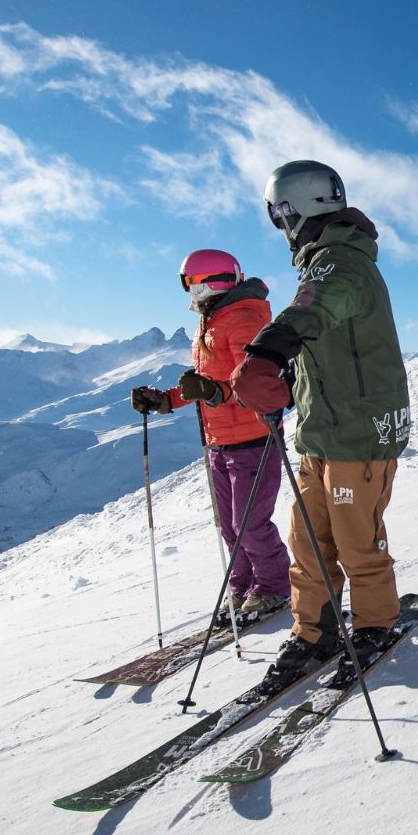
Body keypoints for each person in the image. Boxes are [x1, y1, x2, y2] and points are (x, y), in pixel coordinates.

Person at [229, 160, 411, 693]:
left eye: (276, 215)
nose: (279, 226)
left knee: (357, 542)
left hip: (359, 434)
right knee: (308, 543)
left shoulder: (340, 263)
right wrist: (288, 369)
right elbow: (324, 334)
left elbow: (314, 309)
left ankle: (374, 624)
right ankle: (316, 630)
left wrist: (268, 350)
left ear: (292, 210)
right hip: (320, 434)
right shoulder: (324, 263)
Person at [131, 249, 290, 621]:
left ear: (207, 283)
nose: (188, 292)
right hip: (219, 441)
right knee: (230, 525)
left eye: (190, 283)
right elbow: (203, 383)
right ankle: (244, 586)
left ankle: (273, 587)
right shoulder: (213, 321)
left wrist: (215, 393)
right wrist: (166, 400)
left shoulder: (243, 320)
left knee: (251, 524)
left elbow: (255, 379)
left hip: (254, 439)